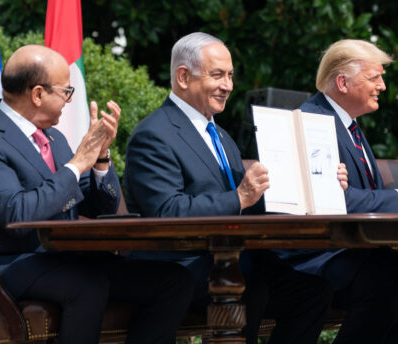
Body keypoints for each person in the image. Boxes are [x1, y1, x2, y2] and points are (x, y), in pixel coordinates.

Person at [0, 45, 194, 344]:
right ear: (38, 94)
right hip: (5, 265)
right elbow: (16, 214)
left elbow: (97, 206)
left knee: (173, 280)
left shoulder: (54, 137)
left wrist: (101, 159)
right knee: (87, 285)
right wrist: (77, 164)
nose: (69, 100)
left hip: (66, 258)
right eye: (66, 91)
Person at [123, 32, 335, 344]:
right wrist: (239, 196)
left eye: (231, 76)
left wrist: (317, 182)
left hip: (235, 259)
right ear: (183, 77)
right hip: (184, 266)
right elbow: (167, 211)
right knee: (253, 291)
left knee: (313, 291)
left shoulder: (221, 136)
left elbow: (250, 202)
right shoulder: (153, 135)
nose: (228, 86)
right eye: (218, 75)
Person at [280, 39, 398, 344]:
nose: (382, 86)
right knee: (389, 288)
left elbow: (365, 198)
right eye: (374, 77)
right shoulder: (312, 121)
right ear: (343, 82)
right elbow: (332, 201)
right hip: (318, 255)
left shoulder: (349, 124)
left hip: (356, 250)